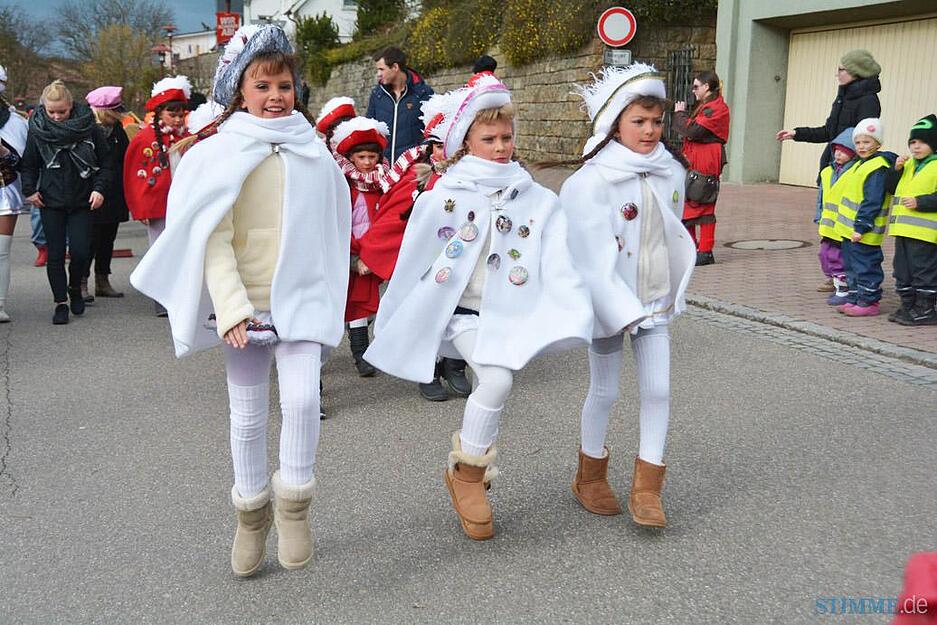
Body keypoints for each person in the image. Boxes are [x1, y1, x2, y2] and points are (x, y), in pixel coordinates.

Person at [130, 24, 351, 576]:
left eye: (284, 84)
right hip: (245, 309)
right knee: (248, 418)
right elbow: (213, 236)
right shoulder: (221, 153)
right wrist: (229, 307)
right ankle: (251, 515)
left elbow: (330, 224)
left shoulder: (313, 150)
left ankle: (295, 506)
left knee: (302, 401)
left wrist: (330, 292)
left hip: (299, 298)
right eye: (263, 85)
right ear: (239, 90)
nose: (276, 96)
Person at [365, 73, 593, 541]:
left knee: (497, 380)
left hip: (510, 311)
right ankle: (469, 474)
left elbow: (557, 256)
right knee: (496, 379)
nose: (501, 146)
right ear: (466, 140)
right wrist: (401, 309)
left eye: (507, 137)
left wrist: (573, 303)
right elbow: (416, 256)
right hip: (464, 313)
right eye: (488, 138)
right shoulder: (446, 194)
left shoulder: (536, 197)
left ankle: (465, 474)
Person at [558, 64, 696, 528]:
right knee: (606, 388)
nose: (650, 131)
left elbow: (671, 232)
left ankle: (648, 489)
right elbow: (588, 258)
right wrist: (620, 309)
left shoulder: (669, 171)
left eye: (657, 122)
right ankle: (590, 476)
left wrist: (673, 288)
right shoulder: (590, 181)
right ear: (616, 122)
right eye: (639, 122)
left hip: (655, 302)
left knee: (658, 389)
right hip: (610, 309)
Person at [361, 93, 472, 402]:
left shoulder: (476, 177)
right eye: (436, 146)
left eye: (447, 145)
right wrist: (373, 252)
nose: (442, 152)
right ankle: (429, 368)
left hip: (464, 261)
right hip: (428, 264)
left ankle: (456, 365)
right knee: (428, 312)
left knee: (463, 311)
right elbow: (394, 218)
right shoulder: (418, 177)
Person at [20, 80, 110, 325]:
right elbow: (29, 164)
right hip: (51, 200)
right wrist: (29, 190)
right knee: (56, 254)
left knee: (80, 251)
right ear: (44, 109)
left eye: (62, 111)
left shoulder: (89, 128)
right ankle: (60, 302)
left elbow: (105, 163)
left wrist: (99, 189)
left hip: (83, 199)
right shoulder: (38, 129)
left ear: (72, 106)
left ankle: (74, 287)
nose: (57, 117)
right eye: (52, 112)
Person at [124, 75, 192, 316]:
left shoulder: (189, 136)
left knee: (185, 248)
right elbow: (135, 175)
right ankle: (161, 295)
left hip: (185, 203)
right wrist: (140, 208)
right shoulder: (145, 139)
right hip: (159, 204)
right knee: (160, 248)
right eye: (171, 114)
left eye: (180, 114)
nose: (176, 119)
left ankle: (184, 293)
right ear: (159, 113)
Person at [330, 116, 389, 376]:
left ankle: (362, 349)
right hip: (351, 254)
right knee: (356, 305)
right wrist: (354, 256)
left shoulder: (384, 183)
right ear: (351, 158)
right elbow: (339, 222)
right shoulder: (343, 185)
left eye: (372, 157)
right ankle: (360, 354)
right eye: (361, 157)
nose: (367, 163)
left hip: (373, 253)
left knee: (363, 305)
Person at [776, 49, 881, 177]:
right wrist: (796, 133)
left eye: (840, 69)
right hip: (831, 167)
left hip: (848, 172)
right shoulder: (843, 98)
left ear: (856, 71)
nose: (837, 74)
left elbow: (865, 140)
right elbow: (828, 132)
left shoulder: (868, 101)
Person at [833, 118, 896, 317]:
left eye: (867, 142)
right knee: (851, 266)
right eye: (858, 142)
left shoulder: (877, 167)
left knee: (865, 266)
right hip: (849, 231)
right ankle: (854, 297)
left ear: (878, 144)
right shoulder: (859, 164)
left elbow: (872, 201)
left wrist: (861, 227)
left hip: (863, 231)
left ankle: (869, 301)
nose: (861, 146)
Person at [673, 70, 729, 266]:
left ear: (707, 87)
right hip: (698, 157)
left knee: (701, 200)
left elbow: (693, 130)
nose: (693, 90)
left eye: (696, 86)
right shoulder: (708, 106)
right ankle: (695, 248)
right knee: (690, 202)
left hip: (706, 158)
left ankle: (704, 251)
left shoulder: (715, 108)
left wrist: (680, 114)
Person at [886, 114, 937, 326]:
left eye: (923, 142)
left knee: (923, 270)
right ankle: (908, 304)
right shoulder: (907, 165)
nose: (916, 147)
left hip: (925, 233)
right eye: (913, 142)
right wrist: (894, 171)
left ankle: (925, 308)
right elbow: (889, 189)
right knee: (902, 269)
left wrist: (921, 202)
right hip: (903, 230)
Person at [84, 86, 130, 300]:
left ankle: (102, 280)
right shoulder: (85, 130)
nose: (119, 115)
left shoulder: (118, 131)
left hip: (113, 194)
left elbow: (124, 159)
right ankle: (81, 282)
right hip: (90, 193)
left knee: (107, 240)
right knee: (88, 240)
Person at [366, 46, 434, 161]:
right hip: (384, 168)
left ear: (395, 67)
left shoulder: (423, 93)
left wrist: (420, 159)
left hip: (411, 169)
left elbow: (431, 130)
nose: (378, 74)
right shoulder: (377, 95)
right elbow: (369, 129)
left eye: (381, 69)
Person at [815, 129, 857, 305]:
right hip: (827, 225)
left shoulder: (854, 172)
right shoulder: (827, 172)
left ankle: (843, 289)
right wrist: (819, 215)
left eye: (844, 151)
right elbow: (821, 197)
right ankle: (835, 281)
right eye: (836, 151)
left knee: (837, 257)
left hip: (844, 225)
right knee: (824, 255)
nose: (838, 155)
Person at [0, 64, 28, 322]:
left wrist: (3, 152)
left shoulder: (16, 123)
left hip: (5, 191)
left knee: (1, 250)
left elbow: (25, 163)